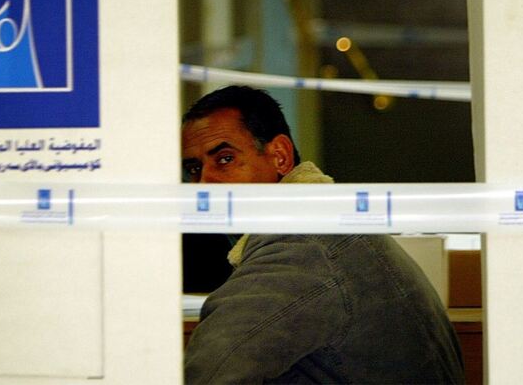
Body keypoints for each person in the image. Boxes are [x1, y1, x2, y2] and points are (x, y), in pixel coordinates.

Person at [182, 85, 465, 384]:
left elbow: (205, 376)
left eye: (225, 159)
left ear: (280, 156)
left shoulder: (299, 245)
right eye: (194, 169)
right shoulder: (326, 223)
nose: (204, 183)